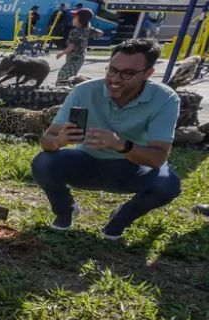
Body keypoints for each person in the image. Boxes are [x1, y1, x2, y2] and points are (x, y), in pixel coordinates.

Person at [33, 39, 181, 240]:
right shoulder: (84, 91)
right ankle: (65, 211)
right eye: (112, 70)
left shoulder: (165, 99)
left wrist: (121, 145)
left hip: (132, 167)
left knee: (168, 185)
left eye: (127, 73)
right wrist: (59, 140)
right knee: (43, 162)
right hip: (86, 162)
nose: (115, 79)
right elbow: (47, 140)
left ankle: (119, 220)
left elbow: (157, 158)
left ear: (148, 73)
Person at [56, 8, 99, 84]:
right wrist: (89, 29)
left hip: (74, 58)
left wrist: (61, 53)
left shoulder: (74, 31)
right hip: (80, 58)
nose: (73, 19)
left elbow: (71, 46)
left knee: (63, 77)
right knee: (71, 76)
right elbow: (100, 33)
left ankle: (81, 84)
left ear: (81, 20)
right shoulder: (87, 30)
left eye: (75, 17)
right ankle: (79, 83)